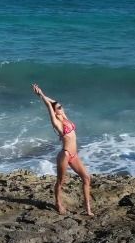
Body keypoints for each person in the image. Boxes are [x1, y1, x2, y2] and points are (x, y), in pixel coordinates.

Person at [32, 83, 93, 215]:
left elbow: (53, 102)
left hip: (74, 155)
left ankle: (87, 208)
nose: (61, 107)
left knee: (86, 178)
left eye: (61, 106)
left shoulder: (65, 117)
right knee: (60, 181)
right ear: (55, 111)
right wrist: (41, 96)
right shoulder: (57, 123)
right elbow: (50, 105)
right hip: (65, 155)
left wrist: (45, 94)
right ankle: (58, 203)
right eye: (59, 107)